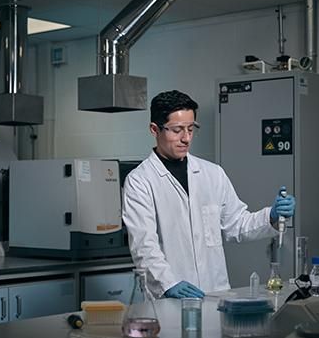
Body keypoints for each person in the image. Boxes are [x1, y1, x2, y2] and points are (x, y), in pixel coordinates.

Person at [122, 90, 296, 299]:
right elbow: (144, 245)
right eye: (176, 130)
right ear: (154, 129)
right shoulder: (140, 181)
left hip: (216, 293)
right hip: (170, 298)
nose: (186, 138)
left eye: (190, 129)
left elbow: (237, 224)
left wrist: (272, 216)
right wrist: (168, 284)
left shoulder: (212, 174)